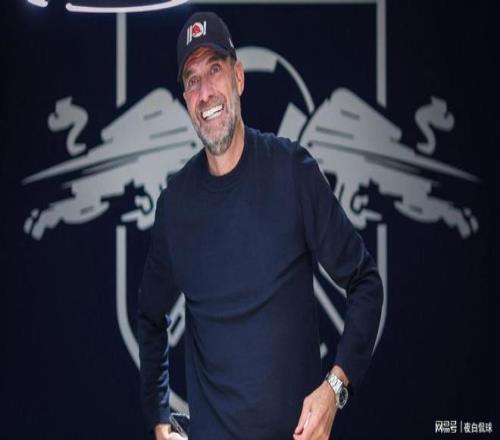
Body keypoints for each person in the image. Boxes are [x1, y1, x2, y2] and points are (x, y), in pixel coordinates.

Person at [138, 11, 383, 440]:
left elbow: (365, 282)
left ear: (239, 77)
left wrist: (335, 388)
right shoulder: (175, 205)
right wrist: (159, 420)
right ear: (185, 99)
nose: (205, 92)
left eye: (215, 70)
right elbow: (150, 317)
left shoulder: (292, 172)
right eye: (192, 80)